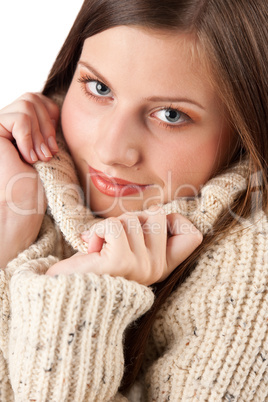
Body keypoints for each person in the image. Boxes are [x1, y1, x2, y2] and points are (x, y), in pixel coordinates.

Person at [0, 0, 267, 400]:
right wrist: (9, 232)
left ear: (244, 126)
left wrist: (78, 295)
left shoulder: (255, 272)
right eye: (99, 88)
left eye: (171, 115)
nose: (111, 150)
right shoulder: (20, 176)